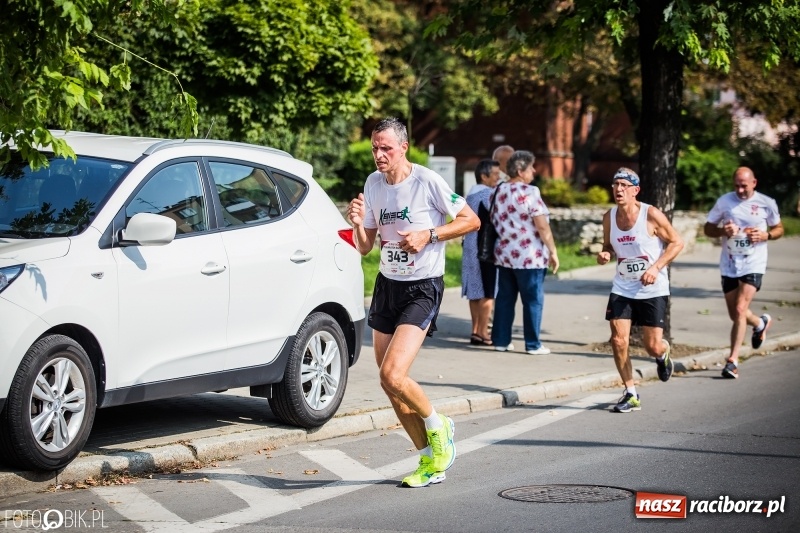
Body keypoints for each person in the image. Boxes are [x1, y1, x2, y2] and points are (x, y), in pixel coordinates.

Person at [347, 118, 480, 488]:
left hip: (422, 287)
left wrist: (430, 234)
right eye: (375, 147)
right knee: (390, 384)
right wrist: (357, 222)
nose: (378, 154)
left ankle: (439, 425)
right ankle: (428, 459)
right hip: (387, 286)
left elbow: (472, 221)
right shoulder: (373, 184)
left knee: (392, 374)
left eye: (386, 147)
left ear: (403, 147)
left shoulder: (427, 181)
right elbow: (365, 246)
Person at [596, 168, 684, 413]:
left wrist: (656, 267)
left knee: (651, 345)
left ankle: (662, 354)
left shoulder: (651, 214)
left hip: (652, 288)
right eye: (615, 185)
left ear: (636, 190)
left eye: (624, 185)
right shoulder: (609, 217)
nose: (618, 189)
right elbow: (608, 244)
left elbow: (677, 242)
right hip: (623, 286)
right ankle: (631, 392)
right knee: (618, 339)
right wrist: (605, 252)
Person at [703, 166, 783, 379]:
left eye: (744, 186)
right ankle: (759, 323)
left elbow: (779, 229)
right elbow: (707, 228)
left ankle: (732, 361)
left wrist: (766, 235)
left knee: (740, 309)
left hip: (754, 263)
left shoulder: (767, 203)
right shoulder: (724, 201)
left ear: (754, 183)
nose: (739, 190)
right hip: (729, 263)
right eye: (736, 185)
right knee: (735, 314)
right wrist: (722, 231)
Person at [490, 150, 559, 355]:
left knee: (505, 298)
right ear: (520, 171)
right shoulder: (530, 192)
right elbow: (542, 226)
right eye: (530, 167)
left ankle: (501, 341)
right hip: (529, 256)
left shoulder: (498, 191)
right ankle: (533, 344)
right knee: (532, 300)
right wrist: (553, 251)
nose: (534, 171)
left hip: (504, 254)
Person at [462, 159, 501, 345]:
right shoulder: (488, 195)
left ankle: (475, 330)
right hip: (485, 250)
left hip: (470, 248)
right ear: (484, 176)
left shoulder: (470, 195)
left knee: (474, 291)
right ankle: (484, 332)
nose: (499, 177)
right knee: (488, 291)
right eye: (495, 174)